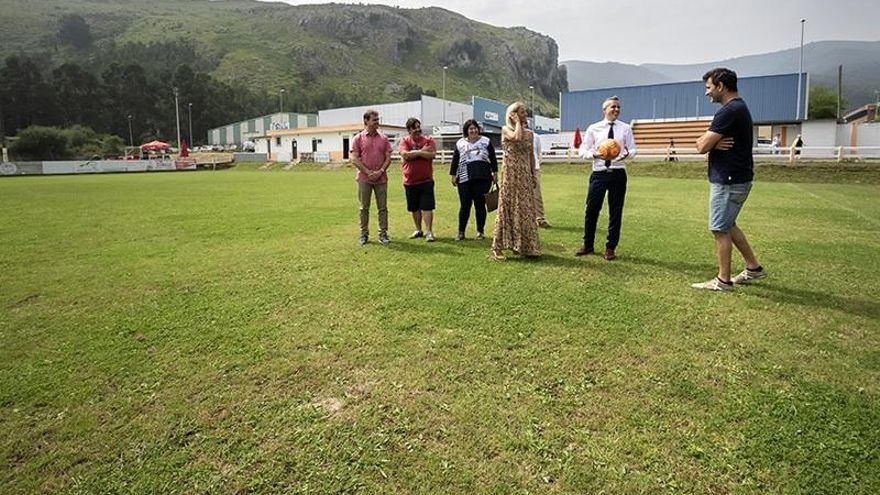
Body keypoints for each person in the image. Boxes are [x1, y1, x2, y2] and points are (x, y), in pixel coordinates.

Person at [692, 67, 766, 292]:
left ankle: (723, 281)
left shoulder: (729, 111)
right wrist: (712, 142)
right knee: (729, 224)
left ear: (720, 86)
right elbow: (702, 144)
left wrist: (710, 143)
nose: (707, 93)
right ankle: (753, 268)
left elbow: (702, 145)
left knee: (719, 228)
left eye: (709, 87)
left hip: (729, 180)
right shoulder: (737, 108)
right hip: (737, 178)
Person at [575, 96, 636, 261]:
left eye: (618, 107)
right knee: (591, 209)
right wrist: (593, 154)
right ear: (604, 110)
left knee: (615, 211)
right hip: (599, 174)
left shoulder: (625, 129)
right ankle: (588, 244)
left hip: (618, 173)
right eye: (613, 107)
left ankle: (610, 247)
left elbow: (632, 150)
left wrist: (622, 155)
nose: (616, 110)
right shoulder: (594, 128)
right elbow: (582, 151)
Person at [491, 101, 540, 260]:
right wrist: (517, 123)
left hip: (524, 174)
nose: (526, 115)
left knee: (525, 209)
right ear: (513, 114)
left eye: (525, 113)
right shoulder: (506, 130)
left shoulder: (530, 134)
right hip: (510, 175)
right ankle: (498, 247)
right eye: (522, 112)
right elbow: (516, 138)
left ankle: (525, 246)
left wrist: (533, 175)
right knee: (507, 207)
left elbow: (531, 156)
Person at [449, 119, 498, 241]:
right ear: (466, 130)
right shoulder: (460, 143)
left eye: (475, 128)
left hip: (483, 178)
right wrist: (453, 175)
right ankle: (461, 232)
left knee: (480, 205)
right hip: (464, 178)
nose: (473, 130)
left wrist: (495, 172)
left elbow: (493, 158)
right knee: (465, 206)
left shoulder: (486, 141)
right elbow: (455, 160)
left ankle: (480, 231)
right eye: (470, 128)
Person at [351, 109, 392, 245]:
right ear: (366, 121)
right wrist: (368, 172)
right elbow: (354, 159)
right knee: (364, 208)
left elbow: (388, 157)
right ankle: (364, 234)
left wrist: (380, 171)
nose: (377, 122)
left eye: (377, 120)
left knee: (383, 208)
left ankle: (383, 233)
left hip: (381, 179)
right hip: (364, 179)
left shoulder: (384, 138)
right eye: (374, 120)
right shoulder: (358, 138)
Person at [399, 117, 438, 242]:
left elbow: (432, 154)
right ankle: (418, 230)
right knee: (414, 207)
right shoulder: (404, 141)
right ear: (409, 130)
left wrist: (414, 154)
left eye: (418, 126)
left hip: (426, 180)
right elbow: (405, 155)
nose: (418, 129)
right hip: (409, 181)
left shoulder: (428, 140)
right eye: (415, 127)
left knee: (427, 207)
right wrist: (421, 152)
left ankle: (429, 231)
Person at [529, 122, 551, 228]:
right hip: (521, 169)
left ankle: (540, 218)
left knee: (536, 193)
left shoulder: (535, 137)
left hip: (535, 168)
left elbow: (537, 152)